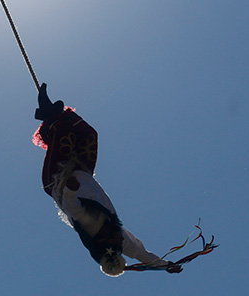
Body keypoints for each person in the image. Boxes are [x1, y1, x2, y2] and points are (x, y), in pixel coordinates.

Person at [33, 83, 178, 276]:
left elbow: (73, 207)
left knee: (62, 137)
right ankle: (53, 115)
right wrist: (166, 265)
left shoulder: (91, 229)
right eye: (114, 247)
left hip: (59, 180)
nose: (111, 241)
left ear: (98, 250)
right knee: (88, 135)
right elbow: (145, 256)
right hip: (82, 172)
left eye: (105, 247)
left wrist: (71, 189)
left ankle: (48, 115)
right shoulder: (122, 240)